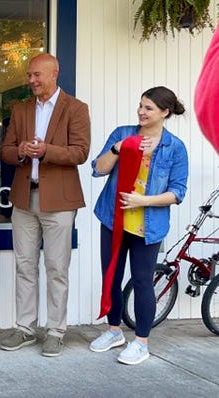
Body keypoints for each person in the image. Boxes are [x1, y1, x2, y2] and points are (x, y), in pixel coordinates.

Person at [88, 86, 188, 365]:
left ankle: (141, 342)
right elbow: (98, 168)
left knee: (143, 282)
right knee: (111, 277)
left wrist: (144, 200)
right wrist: (117, 149)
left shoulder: (175, 147)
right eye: (140, 106)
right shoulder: (123, 134)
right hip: (112, 219)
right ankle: (113, 331)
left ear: (165, 112)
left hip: (148, 226)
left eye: (149, 108)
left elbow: (178, 192)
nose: (141, 112)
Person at [0, 53, 90, 357]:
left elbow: (80, 152)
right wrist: (22, 151)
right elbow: (6, 151)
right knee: (24, 265)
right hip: (24, 198)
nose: (32, 81)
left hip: (60, 201)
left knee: (56, 267)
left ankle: (55, 330)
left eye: (37, 75)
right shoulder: (21, 109)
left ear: (55, 73)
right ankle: (25, 328)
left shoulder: (75, 108)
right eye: (29, 75)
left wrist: (46, 150)